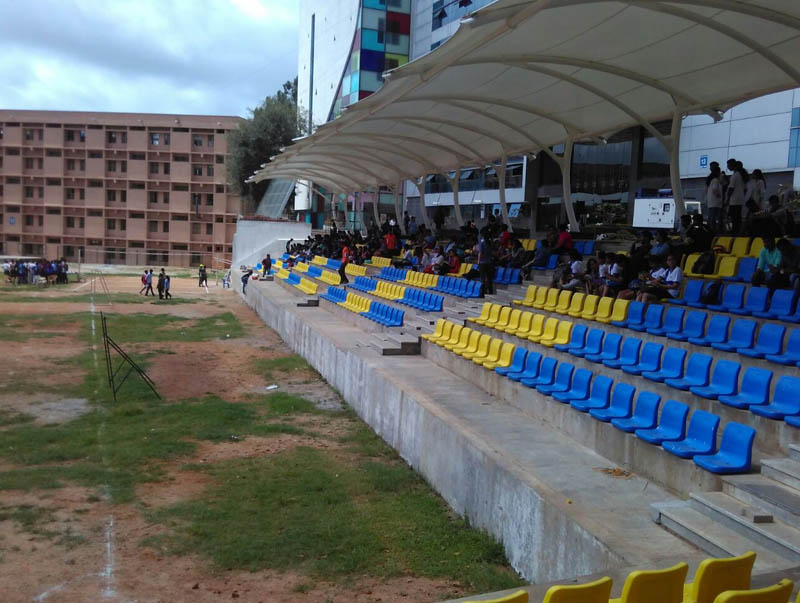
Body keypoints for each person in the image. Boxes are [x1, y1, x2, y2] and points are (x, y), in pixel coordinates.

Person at [726, 158, 746, 234]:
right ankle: (737, 231)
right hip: (739, 200)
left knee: (734, 218)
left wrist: (727, 199)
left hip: (734, 200)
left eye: (728, 165)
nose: (728, 167)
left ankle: (734, 231)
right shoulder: (740, 175)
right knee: (737, 218)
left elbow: (731, 188)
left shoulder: (735, 175)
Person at [705, 162, 724, 233]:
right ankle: (713, 231)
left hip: (711, 202)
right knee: (714, 217)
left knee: (711, 217)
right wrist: (720, 197)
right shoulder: (716, 180)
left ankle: (710, 230)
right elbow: (715, 190)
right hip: (716, 202)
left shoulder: (711, 180)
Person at [477, 229, 494, 296]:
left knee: (482, 278)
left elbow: (480, 252)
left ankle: (483, 292)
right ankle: (490, 291)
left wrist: (478, 261)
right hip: (489, 262)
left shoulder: (482, 242)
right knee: (489, 278)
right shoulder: (490, 242)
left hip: (483, 263)